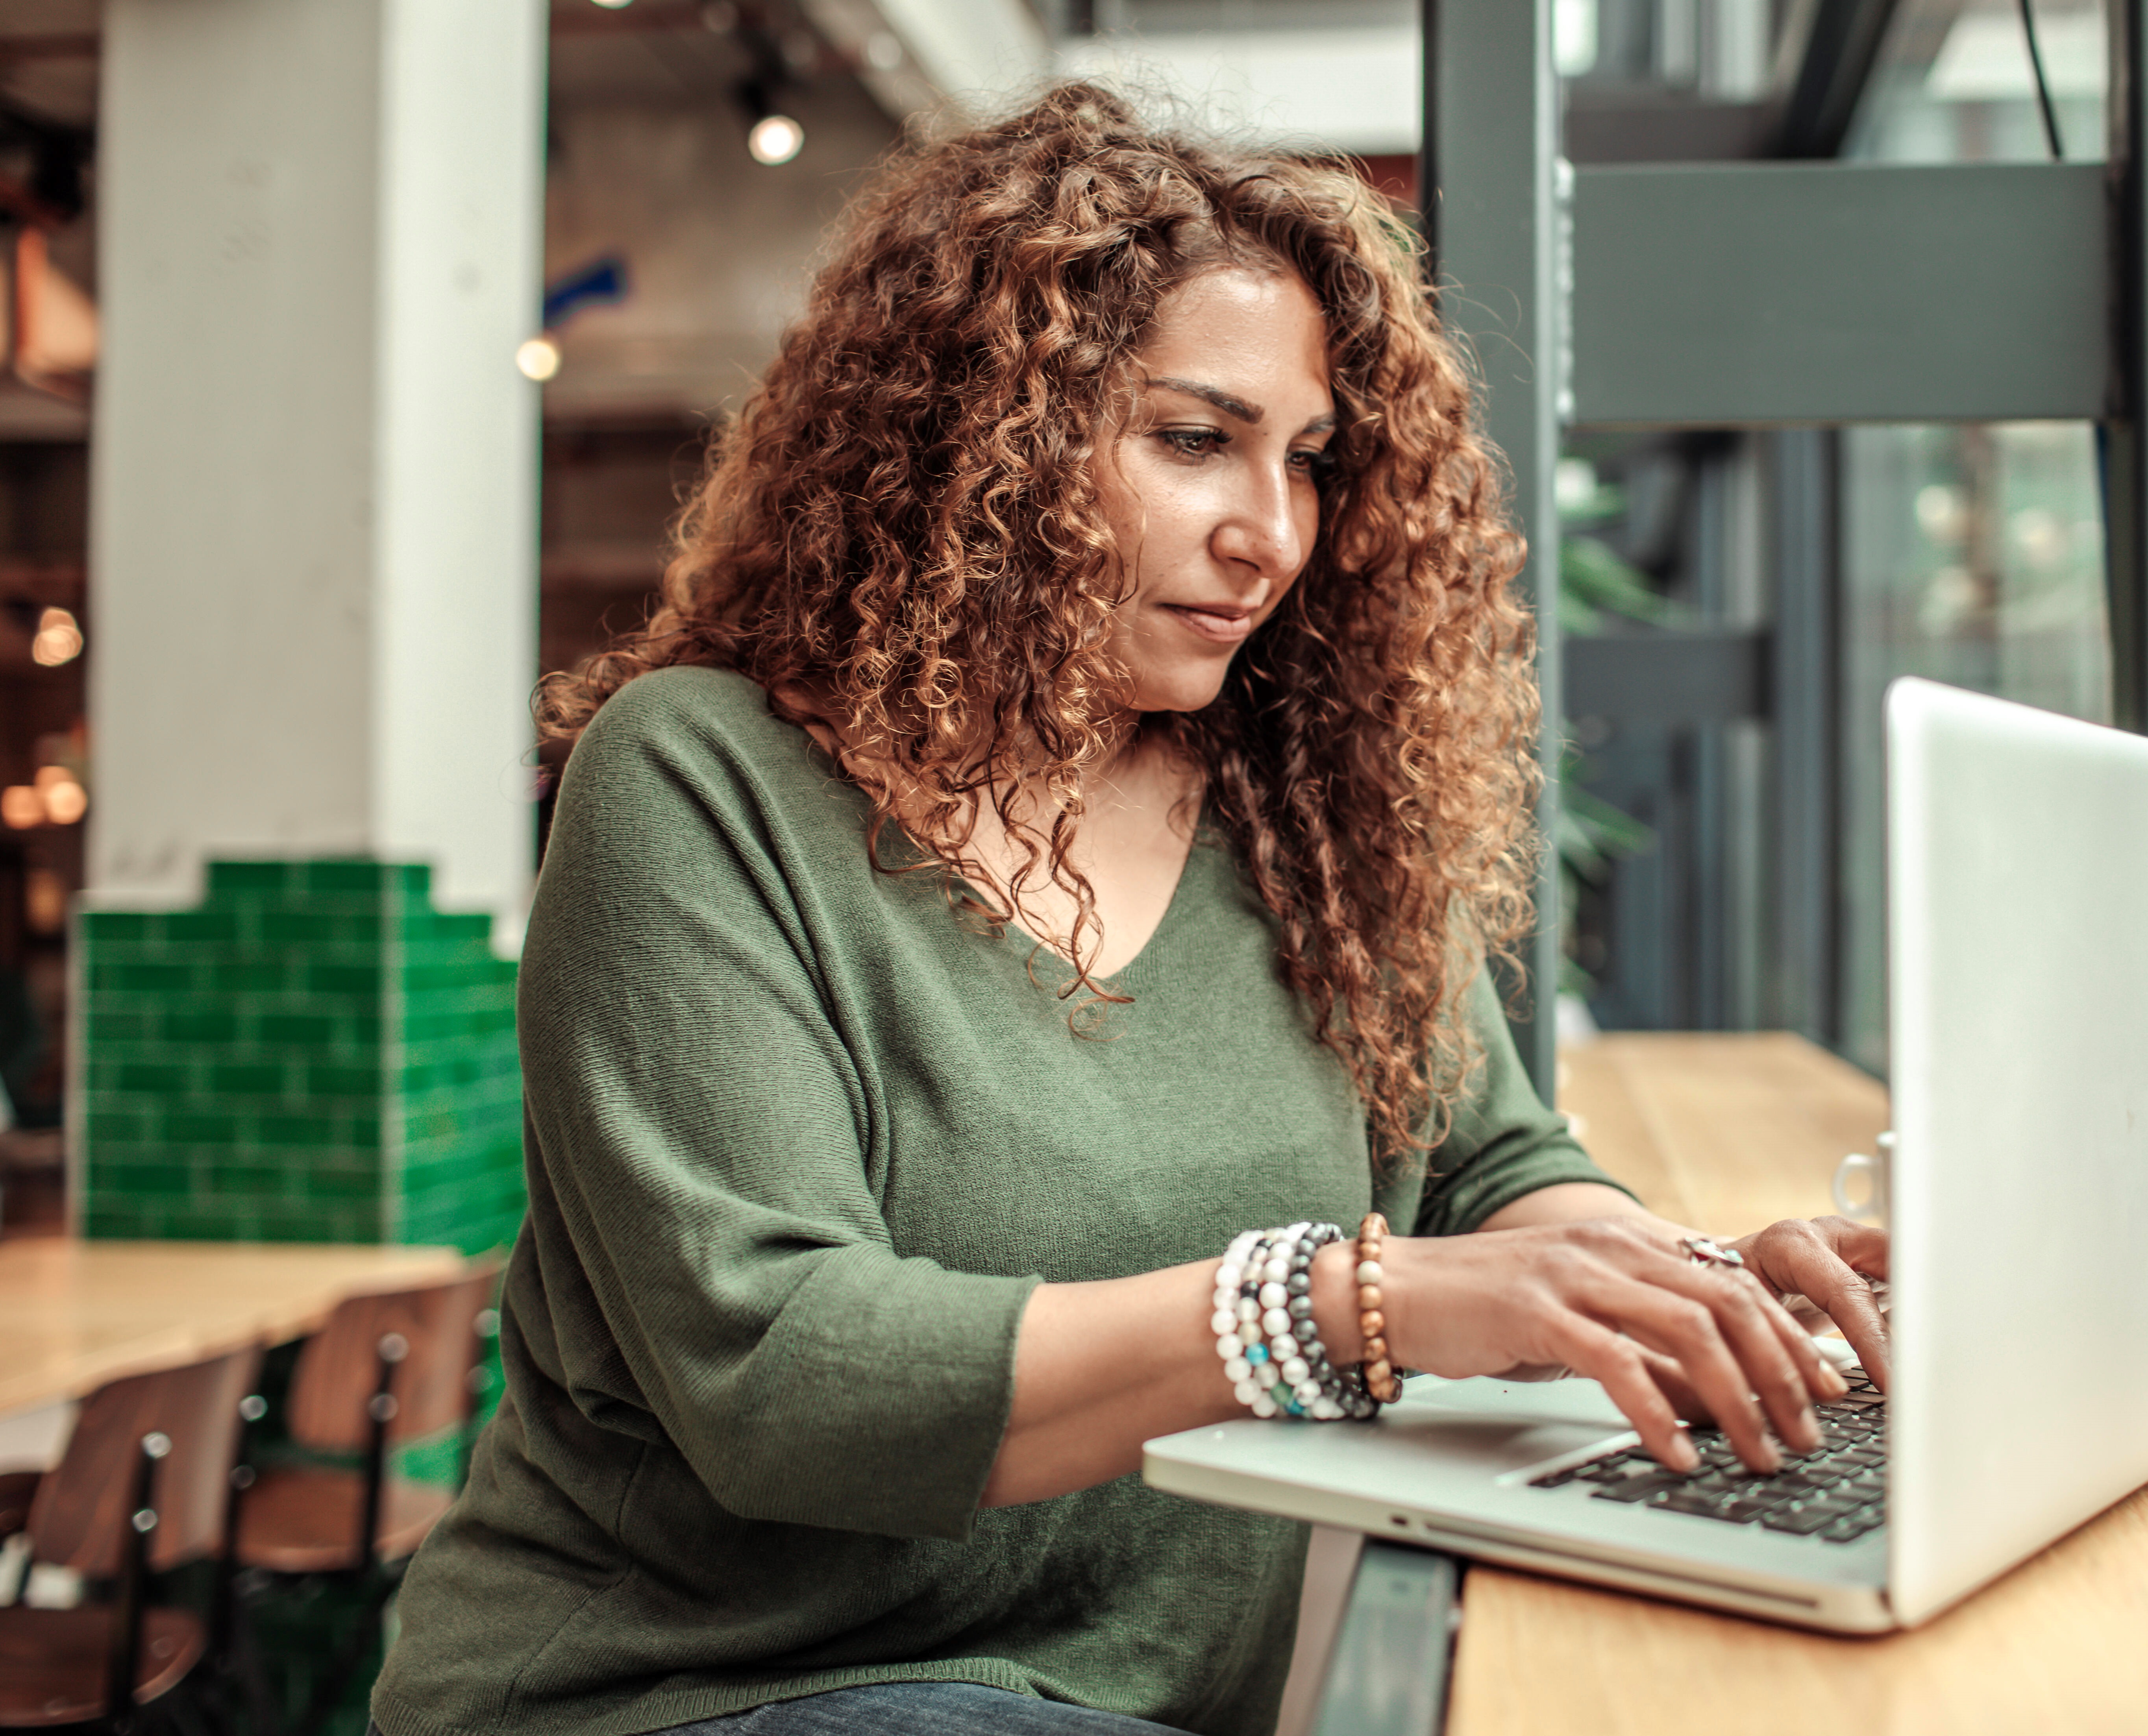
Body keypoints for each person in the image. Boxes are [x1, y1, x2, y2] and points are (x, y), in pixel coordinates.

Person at [372, 85, 1889, 1736]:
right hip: (694, 1695)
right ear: (977, 443)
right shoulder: (696, 778)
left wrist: (1672, 1287)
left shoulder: (1308, 812)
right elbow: (780, 1374)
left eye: (1307, 462)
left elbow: (1483, 1161)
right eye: (1191, 440)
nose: (1270, 535)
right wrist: (1349, 1301)